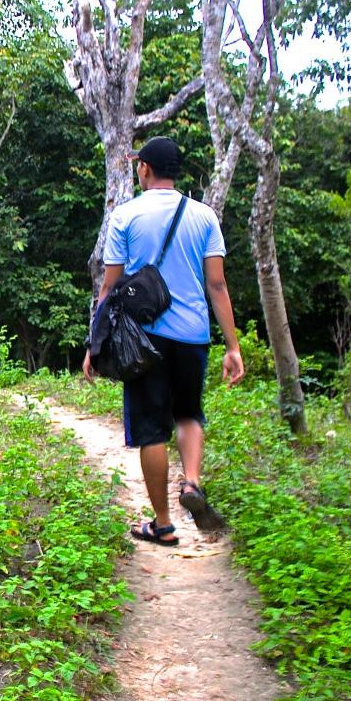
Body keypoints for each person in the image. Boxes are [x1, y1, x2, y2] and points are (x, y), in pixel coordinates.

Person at [82, 136, 245, 546]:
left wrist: (95, 343)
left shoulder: (126, 216)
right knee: (189, 414)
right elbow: (217, 283)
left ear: (145, 169)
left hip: (144, 338)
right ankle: (191, 482)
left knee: (152, 429)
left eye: (139, 165)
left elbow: (110, 287)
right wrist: (232, 346)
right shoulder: (204, 216)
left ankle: (163, 524)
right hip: (193, 335)